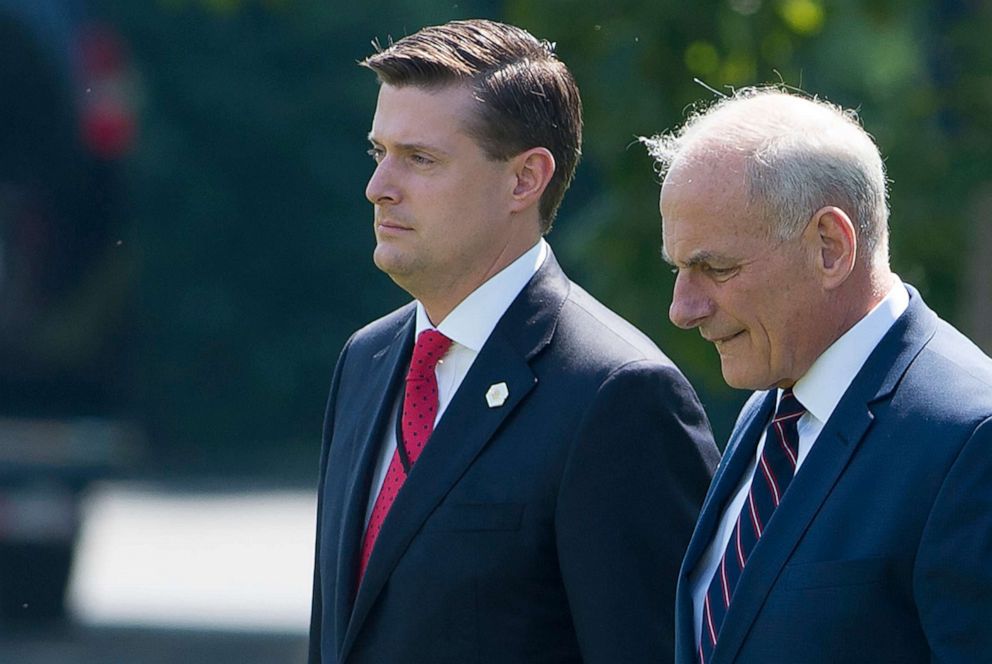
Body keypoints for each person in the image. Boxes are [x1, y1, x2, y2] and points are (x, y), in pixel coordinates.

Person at [308, 19, 719, 664]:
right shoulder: (367, 360)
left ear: (524, 180)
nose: (379, 186)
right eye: (378, 152)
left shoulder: (620, 395)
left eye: (420, 159)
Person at [642, 86, 992, 663]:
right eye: (679, 268)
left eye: (715, 268)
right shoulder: (773, 407)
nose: (682, 309)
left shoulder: (968, 441)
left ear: (830, 247)